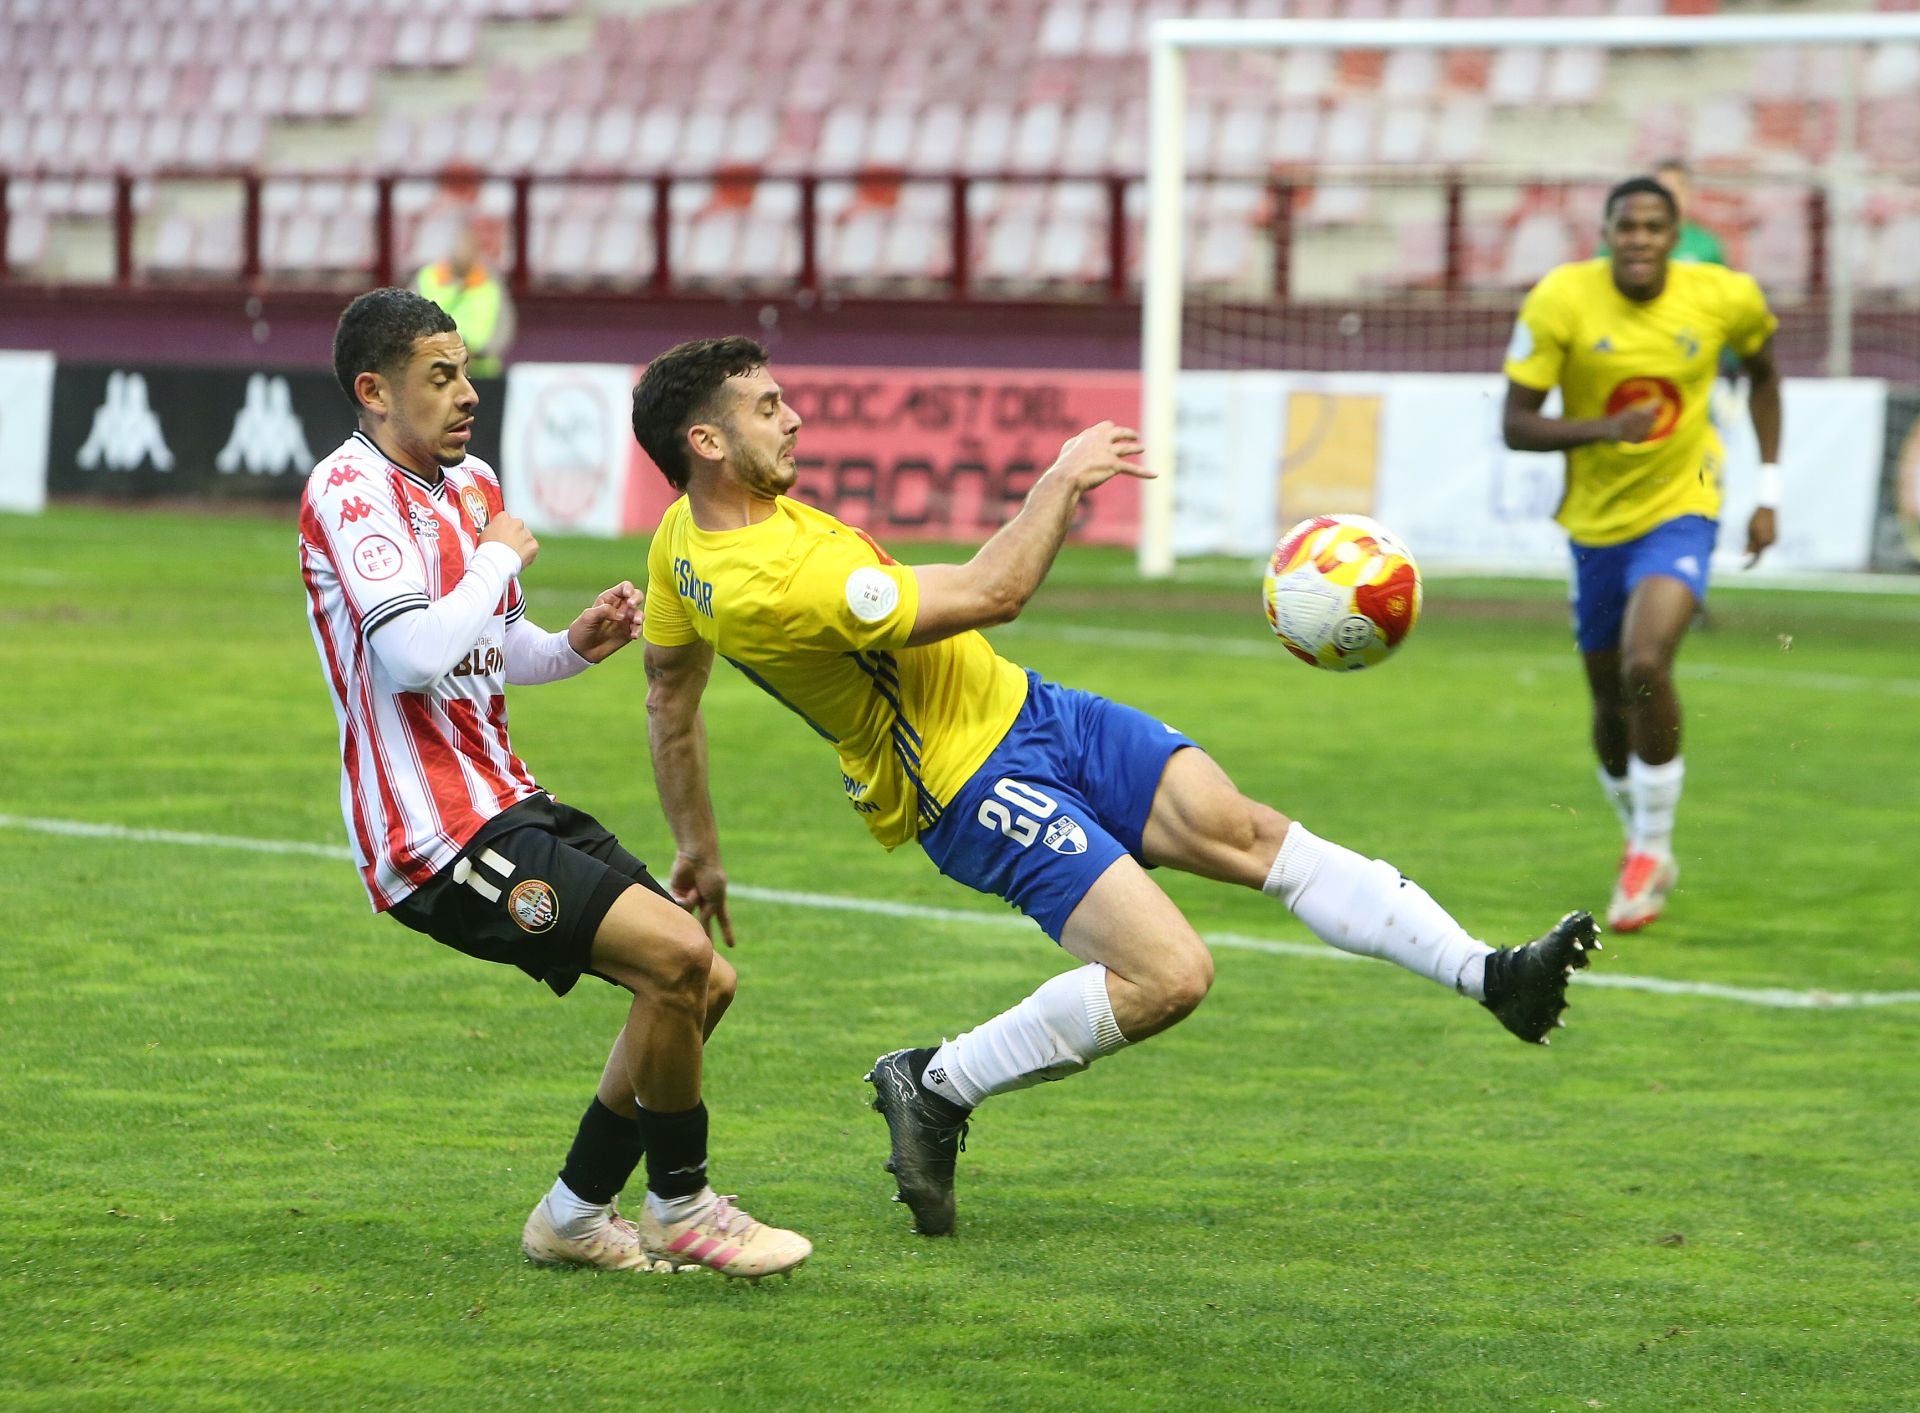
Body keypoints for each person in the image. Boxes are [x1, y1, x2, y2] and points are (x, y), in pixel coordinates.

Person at [630, 336, 1600, 1240]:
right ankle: (937, 1082)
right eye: (767, 407)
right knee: (1169, 975)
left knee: (1246, 831)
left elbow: (669, 695)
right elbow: (991, 591)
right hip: (964, 784)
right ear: (706, 440)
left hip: (1028, 708)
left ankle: (1492, 978)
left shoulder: (682, 538)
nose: (793, 418)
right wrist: (1062, 476)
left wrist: (697, 848)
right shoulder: (766, 582)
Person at [298, 290, 808, 1281]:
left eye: (465, 372)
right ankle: (683, 1203)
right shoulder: (349, 492)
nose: (465, 395)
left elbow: (485, 650)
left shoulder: (473, 482)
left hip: (507, 800)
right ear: (374, 391)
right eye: (437, 377)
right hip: (433, 839)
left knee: (703, 980)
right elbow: (410, 655)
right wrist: (498, 554)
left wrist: (572, 647)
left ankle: (574, 1213)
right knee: (671, 957)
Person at [1502, 176, 1783, 934]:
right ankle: (1638, 830)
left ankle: (1653, 848)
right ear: (1606, 233)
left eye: (1655, 227)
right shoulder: (1560, 299)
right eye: (1626, 226)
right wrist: (1602, 428)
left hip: (1685, 506)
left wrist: (1768, 492)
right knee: (1605, 700)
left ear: (1674, 235)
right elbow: (1516, 424)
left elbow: (1764, 374)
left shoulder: (1723, 295)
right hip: (1595, 525)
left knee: (1644, 664)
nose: (1639, 239)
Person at [415, 224, 516, 378]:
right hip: (435, 370)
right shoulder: (427, 278)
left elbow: (504, 326)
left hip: (483, 372)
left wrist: (481, 352)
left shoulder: (491, 283)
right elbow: (409, 320)